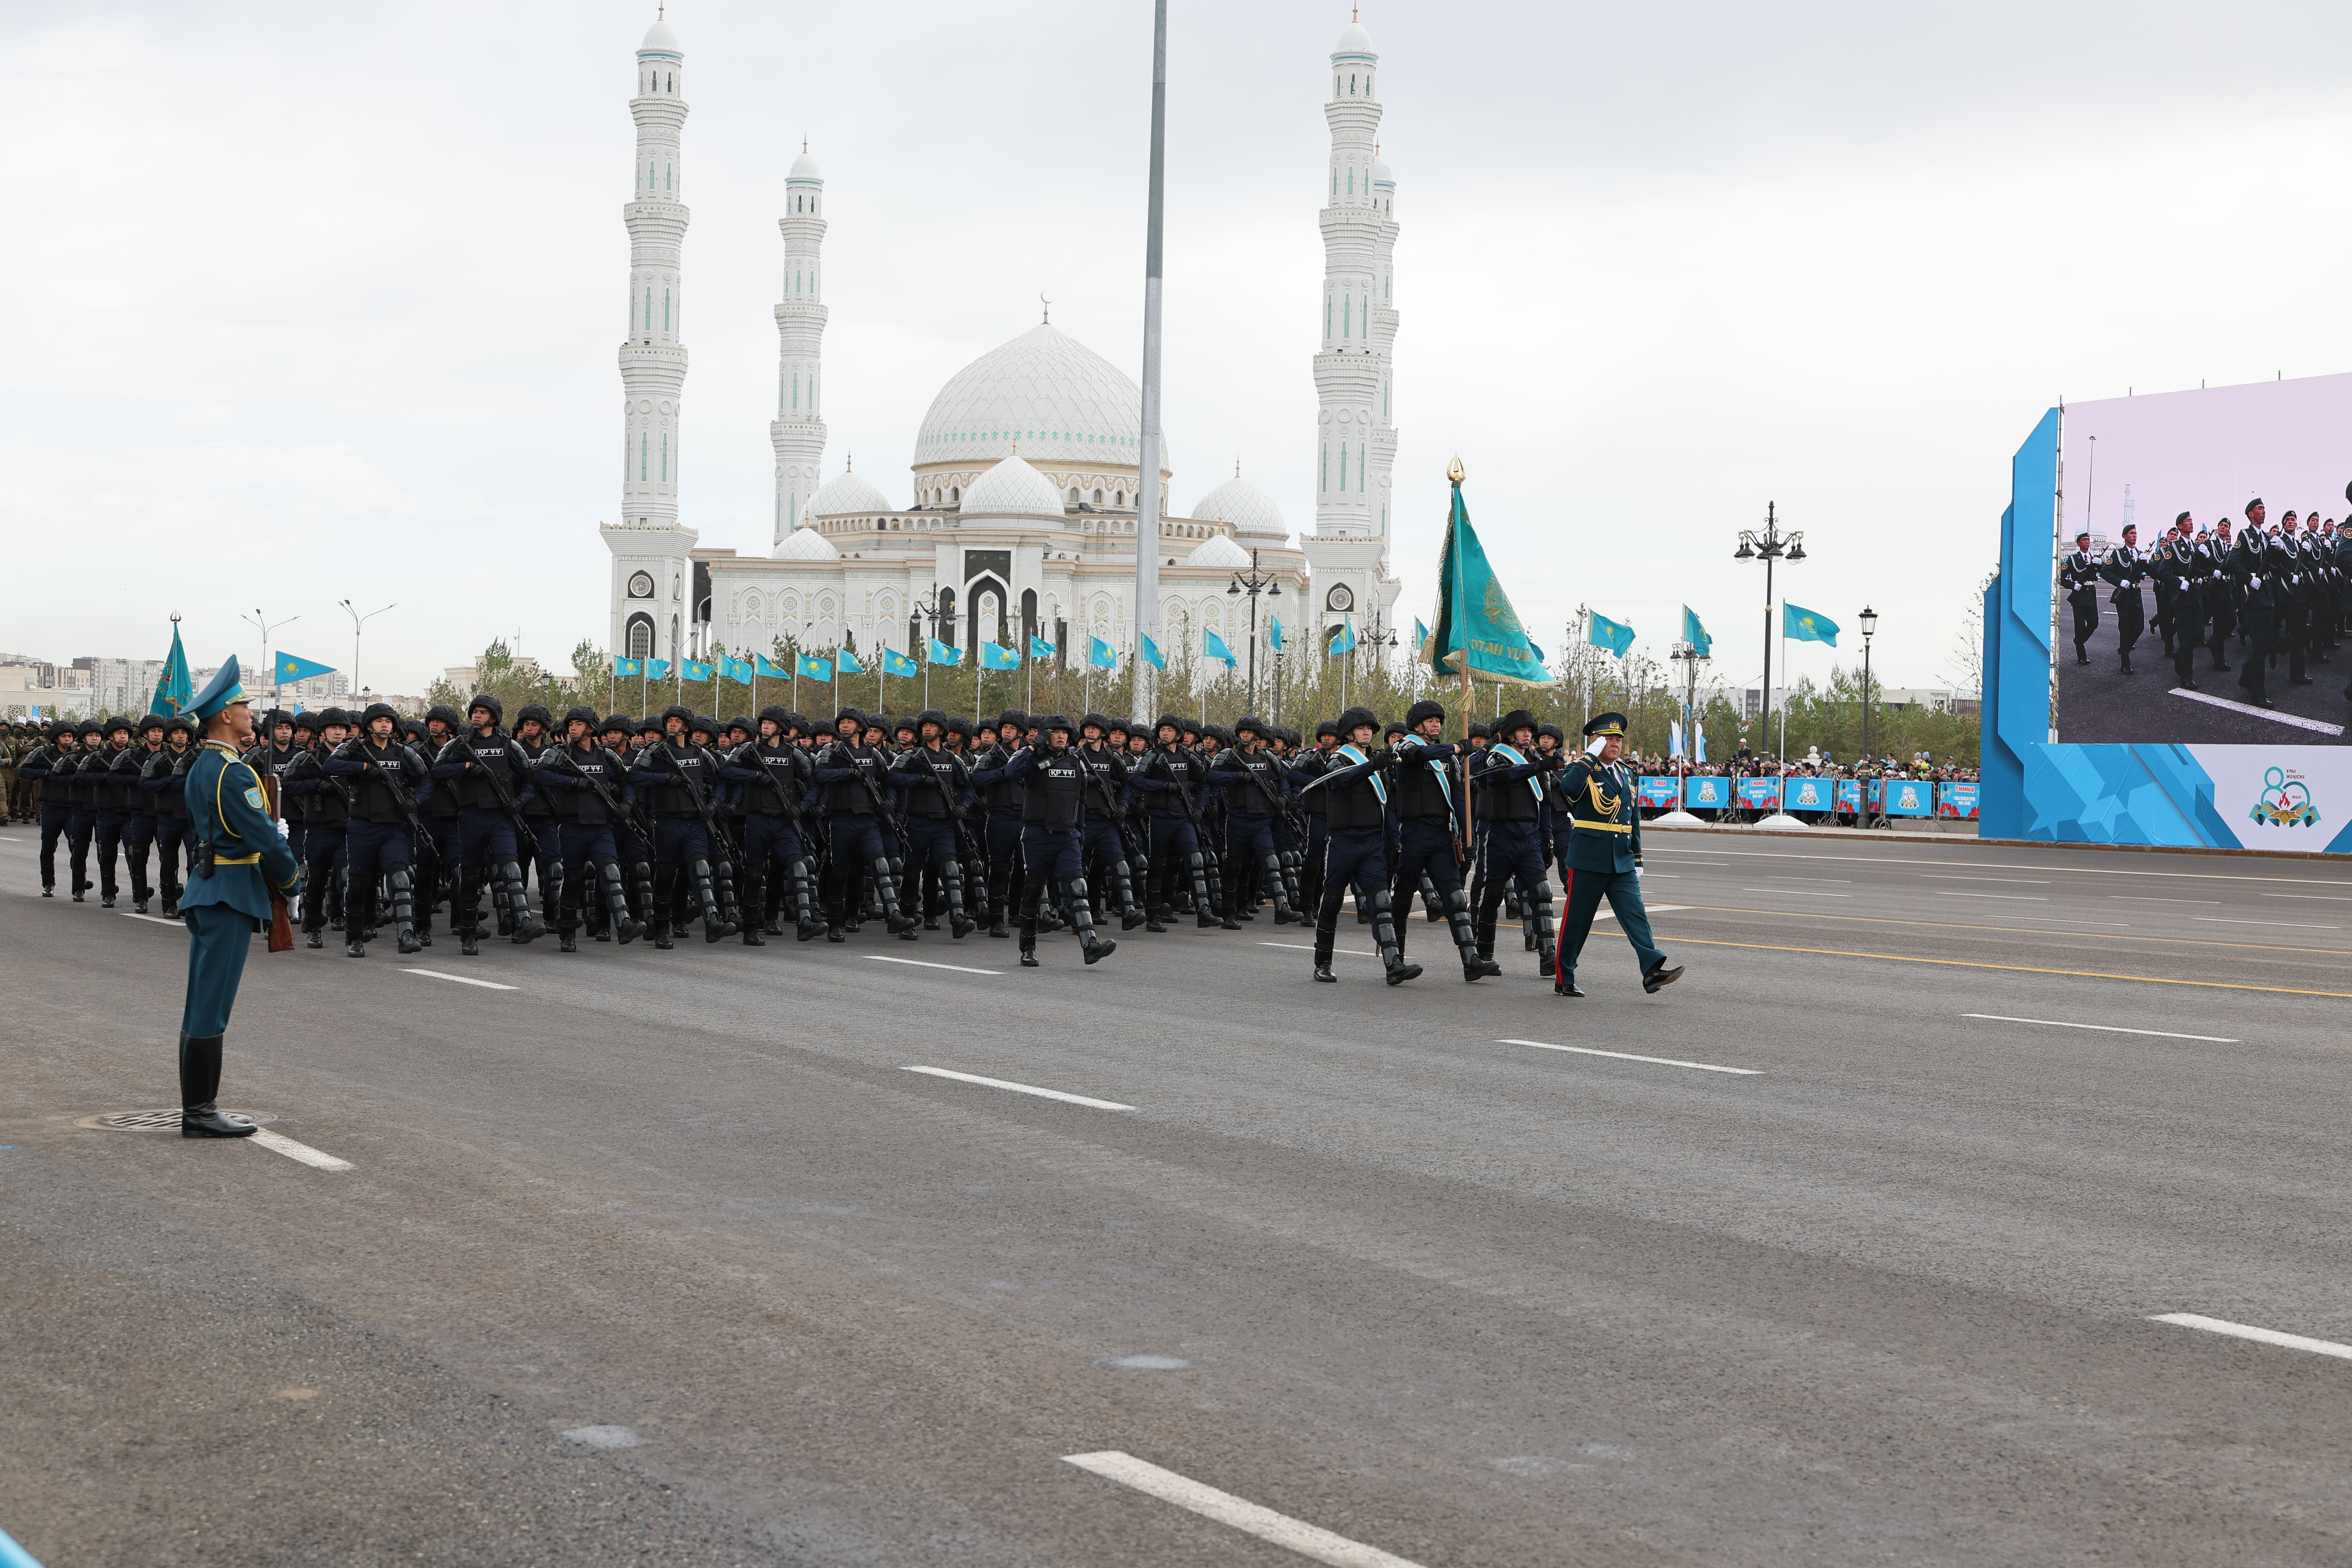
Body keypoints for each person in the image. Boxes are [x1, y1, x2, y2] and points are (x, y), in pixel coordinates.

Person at [175, 657, 301, 1138]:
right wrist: (292, 884)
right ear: (225, 715)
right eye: (244, 706)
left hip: (212, 887)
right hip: (229, 894)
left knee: (201, 1001)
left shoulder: (205, 768)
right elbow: (267, 842)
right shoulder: (234, 774)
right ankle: (201, 1112)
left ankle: (199, 1108)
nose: (251, 713)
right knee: (211, 1004)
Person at [1551, 712, 1682, 999]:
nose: (1615, 744)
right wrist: (1588, 757)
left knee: (1636, 915)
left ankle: (1652, 971)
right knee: (1577, 923)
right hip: (1589, 859)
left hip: (1621, 860)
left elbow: (1632, 818)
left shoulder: (1626, 773)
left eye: (1618, 739)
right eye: (1609, 739)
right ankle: (1564, 977)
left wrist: (1637, 858)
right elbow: (1568, 789)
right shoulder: (1583, 769)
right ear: (1596, 742)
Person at [1301, 706, 1420, 985]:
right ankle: (1323, 964)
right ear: (1349, 733)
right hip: (1343, 841)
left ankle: (1394, 966)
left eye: (1370, 728)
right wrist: (1372, 766)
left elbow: (1389, 805)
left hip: (1372, 842)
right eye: (1361, 728)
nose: (1367, 732)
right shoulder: (1337, 760)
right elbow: (1343, 780)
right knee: (1331, 902)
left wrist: (1394, 843)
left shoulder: (1381, 762)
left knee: (1381, 901)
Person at [1387, 700, 1499, 982]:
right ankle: (1395, 963)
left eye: (1439, 720)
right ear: (1416, 725)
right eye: (1431, 720)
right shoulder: (1404, 747)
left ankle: (1471, 961)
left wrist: (1467, 833)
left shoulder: (1448, 758)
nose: (1437, 724)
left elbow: (1459, 798)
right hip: (1412, 833)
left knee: (1455, 896)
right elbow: (1421, 755)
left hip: (1441, 835)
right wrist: (1458, 748)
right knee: (1401, 901)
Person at [996, 714, 1115, 967]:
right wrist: (1032, 746)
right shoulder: (1031, 760)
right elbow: (1010, 772)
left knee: (1078, 887)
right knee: (1033, 893)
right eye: (1055, 732)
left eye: (1065, 732)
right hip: (1037, 836)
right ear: (1046, 735)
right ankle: (1028, 949)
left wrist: (1080, 833)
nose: (1061, 736)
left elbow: (1081, 802)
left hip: (1068, 836)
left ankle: (1090, 945)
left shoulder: (1076, 762)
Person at [325, 702, 435, 956]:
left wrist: (416, 801)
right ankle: (354, 939)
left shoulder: (403, 753)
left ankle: (406, 935)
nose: (384, 725)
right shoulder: (356, 749)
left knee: (400, 878)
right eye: (379, 721)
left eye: (389, 721)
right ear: (369, 726)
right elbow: (330, 767)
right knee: (357, 886)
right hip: (362, 827)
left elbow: (427, 779)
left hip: (393, 827)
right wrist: (363, 768)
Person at [1469, 708, 1562, 977]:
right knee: (1492, 896)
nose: (1528, 735)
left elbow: (1544, 803)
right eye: (1523, 731)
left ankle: (1548, 957)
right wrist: (1537, 766)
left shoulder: (1535, 758)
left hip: (1529, 837)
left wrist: (1548, 839)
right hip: (1500, 835)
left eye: (1530, 731)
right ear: (1510, 734)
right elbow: (1505, 775)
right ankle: (1484, 954)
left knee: (1542, 891)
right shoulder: (1496, 756)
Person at [2100, 523, 2147, 675]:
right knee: (2126, 630)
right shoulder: (2118, 554)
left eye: (2136, 533)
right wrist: (2119, 582)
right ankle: (2125, 663)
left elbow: (2149, 571)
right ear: (2125, 536)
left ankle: (2124, 648)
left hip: (2136, 595)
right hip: (2124, 597)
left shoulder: (2139, 555)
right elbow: (2106, 572)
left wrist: (2148, 563)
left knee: (2140, 627)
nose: (2135, 535)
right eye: (2132, 533)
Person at [2062, 531, 2102, 664]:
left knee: (2094, 623)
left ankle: (2079, 641)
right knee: (2079, 626)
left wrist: (2101, 564)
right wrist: (2073, 585)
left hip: (2091, 594)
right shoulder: (2073, 559)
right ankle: (2082, 655)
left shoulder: (2094, 558)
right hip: (2079, 596)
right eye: (2084, 540)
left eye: (2088, 540)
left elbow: (2105, 572)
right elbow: (2061, 578)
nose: (2087, 542)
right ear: (2079, 543)